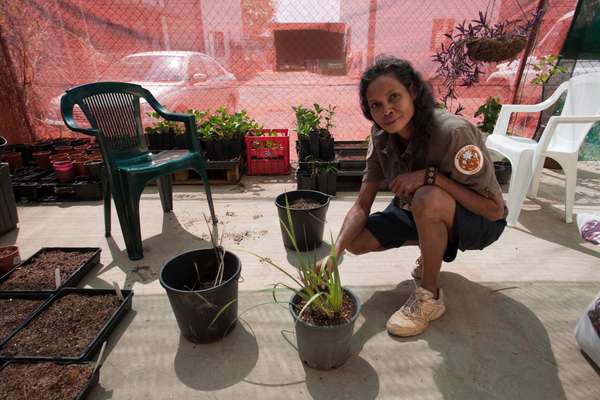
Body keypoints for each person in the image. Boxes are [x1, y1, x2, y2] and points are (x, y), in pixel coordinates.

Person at [328, 56, 507, 337]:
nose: (386, 110)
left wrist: (430, 177)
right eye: (376, 105)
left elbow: (495, 211)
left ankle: (429, 296)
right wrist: (334, 251)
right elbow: (361, 205)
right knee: (356, 241)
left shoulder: (453, 133)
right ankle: (432, 244)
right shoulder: (380, 137)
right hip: (418, 208)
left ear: (412, 91)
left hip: (479, 222)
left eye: (393, 97)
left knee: (426, 197)